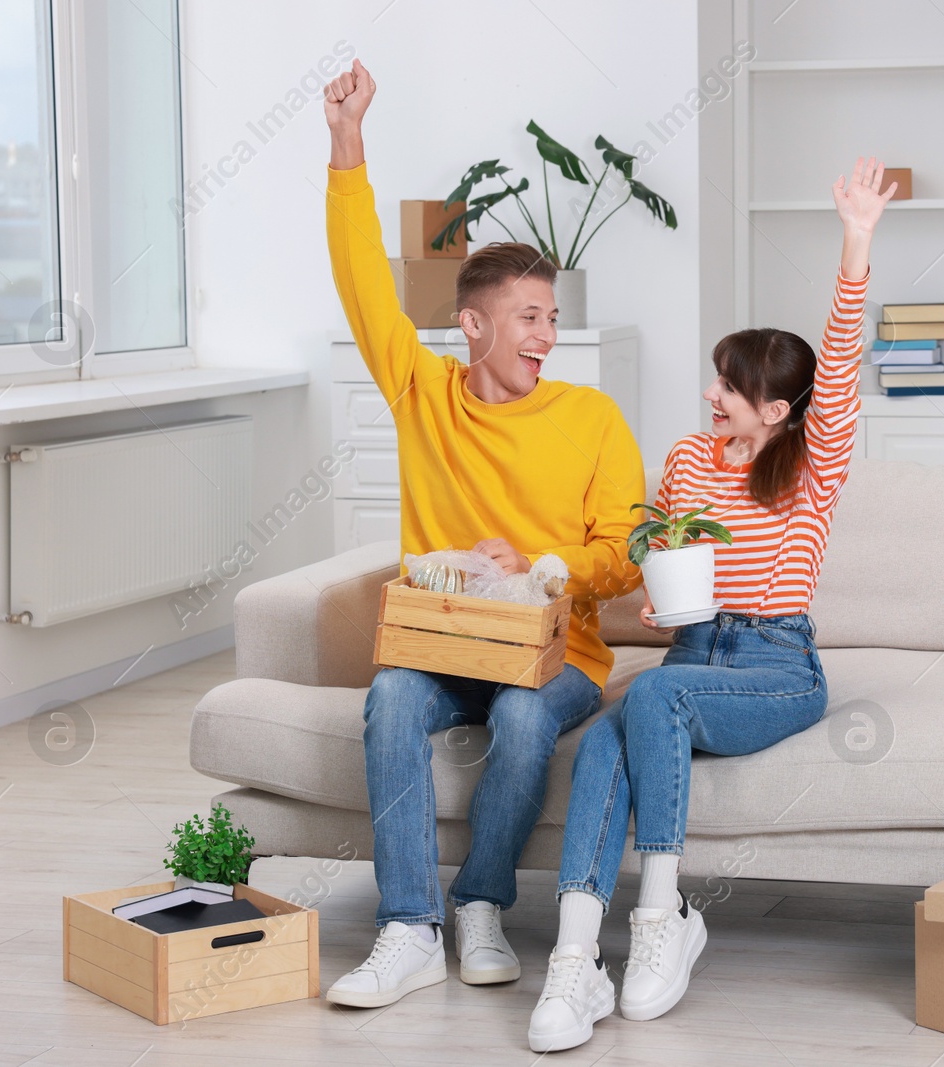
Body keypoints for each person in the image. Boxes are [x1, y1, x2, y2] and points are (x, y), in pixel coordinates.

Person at [526, 157, 895, 1052]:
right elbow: (665, 547)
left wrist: (857, 239)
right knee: (612, 732)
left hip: (776, 664)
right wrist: (664, 599)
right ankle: (576, 960)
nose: (709, 395)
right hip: (694, 653)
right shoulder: (692, 459)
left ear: (773, 408)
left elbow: (837, 364)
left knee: (647, 696)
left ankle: (662, 911)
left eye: (726, 386)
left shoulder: (813, 464)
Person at [320, 59, 645, 1009]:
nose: (546, 333)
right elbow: (359, 283)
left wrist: (545, 568)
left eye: (551, 316)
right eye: (529, 317)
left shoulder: (591, 417)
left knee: (520, 714)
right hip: (448, 643)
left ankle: (481, 904)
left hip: (562, 654)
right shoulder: (422, 394)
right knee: (389, 699)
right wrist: (348, 146)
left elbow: (625, 558)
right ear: (473, 326)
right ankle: (409, 926)